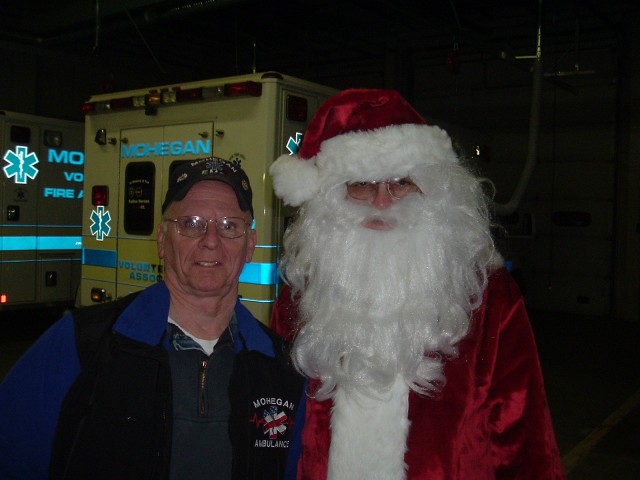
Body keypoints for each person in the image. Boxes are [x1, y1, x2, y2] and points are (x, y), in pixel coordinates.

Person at [268, 89, 566, 480]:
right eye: (361, 184)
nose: (382, 201)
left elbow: (525, 438)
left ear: (435, 192)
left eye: (401, 183)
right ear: (332, 198)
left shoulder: (488, 294)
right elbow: (276, 425)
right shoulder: (303, 294)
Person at [0, 157, 303, 480]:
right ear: (162, 240)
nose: (211, 240)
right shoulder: (82, 344)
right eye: (191, 223)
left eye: (230, 225)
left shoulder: (280, 370)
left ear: (249, 245)